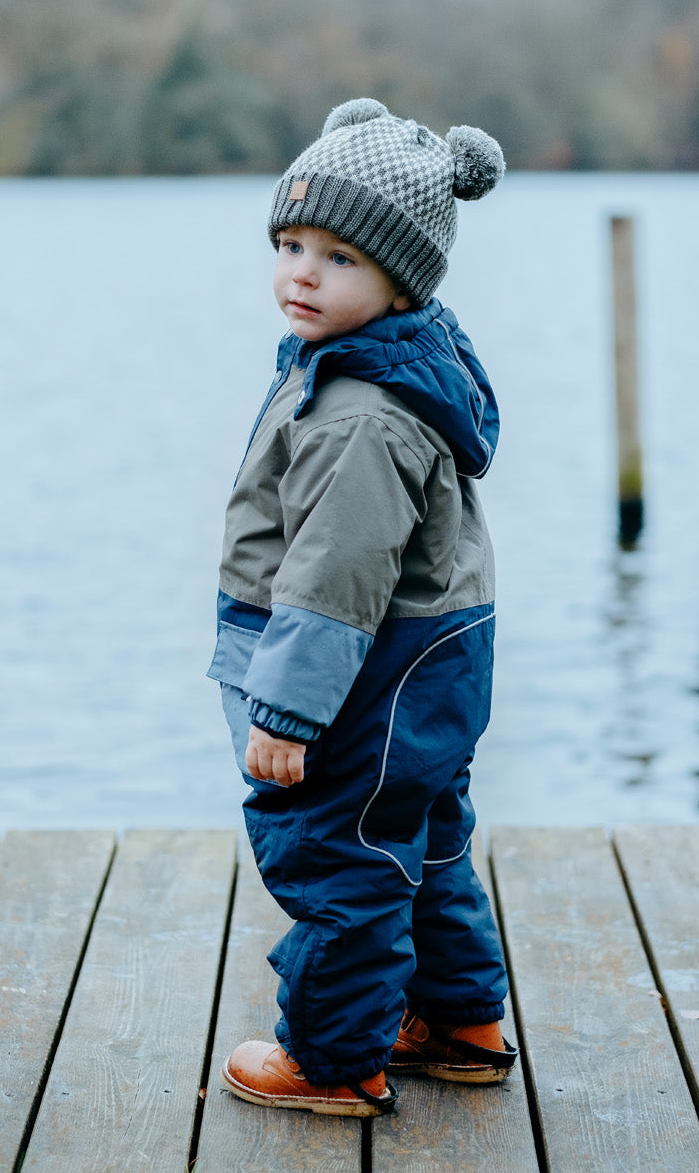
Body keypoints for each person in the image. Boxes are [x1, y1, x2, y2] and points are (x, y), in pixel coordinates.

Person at [208, 97, 517, 1118]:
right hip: (429, 659)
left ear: (399, 280)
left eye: (338, 257)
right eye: (291, 242)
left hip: (361, 675)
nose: (300, 270)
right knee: (420, 837)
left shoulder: (362, 419)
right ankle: (459, 1020)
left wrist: (286, 714)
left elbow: (333, 579)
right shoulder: (373, 366)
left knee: (339, 854)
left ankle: (334, 1059)